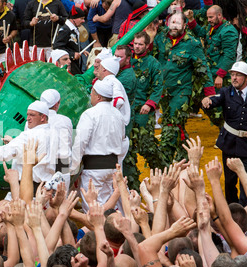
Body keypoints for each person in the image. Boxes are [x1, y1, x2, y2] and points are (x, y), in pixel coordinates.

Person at [152, 11, 215, 166]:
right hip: (164, 93)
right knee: (177, 126)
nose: (174, 26)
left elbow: (203, 68)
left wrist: (210, 93)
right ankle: (187, 157)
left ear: (185, 25)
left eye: (177, 23)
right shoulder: (160, 38)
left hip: (181, 93)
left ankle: (164, 162)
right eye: (171, 22)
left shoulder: (192, 43)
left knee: (171, 124)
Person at [70, 78, 125, 213]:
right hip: (112, 168)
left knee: (92, 210)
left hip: (94, 169)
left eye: (92, 93)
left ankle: (96, 234)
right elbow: (122, 139)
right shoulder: (118, 115)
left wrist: (73, 167)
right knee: (108, 207)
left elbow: (80, 141)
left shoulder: (90, 114)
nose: (91, 96)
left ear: (98, 96)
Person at [201, 61, 247, 206]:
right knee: (229, 181)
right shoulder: (225, 92)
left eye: (238, 75)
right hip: (230, 144)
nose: (234, 78)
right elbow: (214, 100)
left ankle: (245, 212)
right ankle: (232, 209)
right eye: (232, 75)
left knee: (245, 180)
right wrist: (207, 101)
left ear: (246, 78)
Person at [122, 31, 163, 191]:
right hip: (128, 112)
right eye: (135, 44)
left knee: (147, 146)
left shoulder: (153, 63)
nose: (137, 47)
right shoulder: (127, 61)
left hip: (144, 112)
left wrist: (150, 103)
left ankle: (160, 173)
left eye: (140, 44)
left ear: (147, 45)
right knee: (129, 148)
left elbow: (158, 86)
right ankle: (133, 186)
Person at [186, 4, 238, 91]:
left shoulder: (228, 31)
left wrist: (220, 75)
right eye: (208, 17)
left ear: (219, 15)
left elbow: (229, 56)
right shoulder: (212, 26)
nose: (209, 20)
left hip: (222, 77)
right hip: (211, 72)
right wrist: (191, 19)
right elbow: (201, 33)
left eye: (211, 17)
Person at [53, 4, 87, 75]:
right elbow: (57, 46)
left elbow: (71, 43)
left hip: (75, 63)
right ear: (73, 19)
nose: (83, 21)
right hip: (69, 63)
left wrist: (80, 50)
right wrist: (72, 54)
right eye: (81, 18)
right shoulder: (65, 30)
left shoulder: (74, 28)